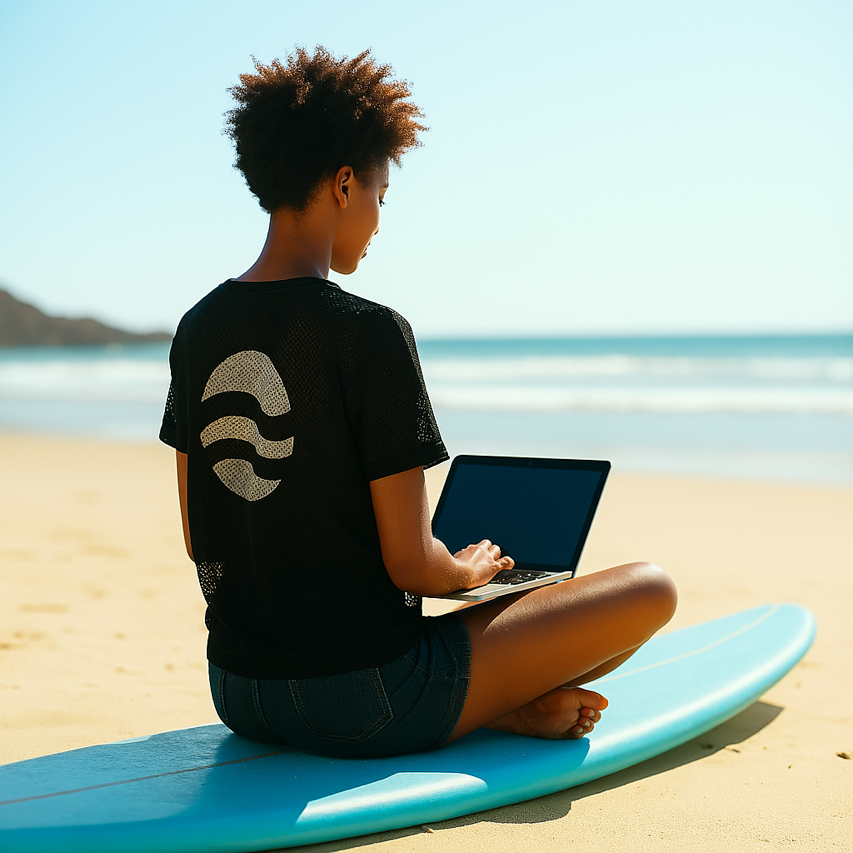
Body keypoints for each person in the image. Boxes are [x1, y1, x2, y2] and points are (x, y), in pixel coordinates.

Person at [160, 46, 677, 759]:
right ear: (344, 184)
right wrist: (466, 569)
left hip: (240, 692)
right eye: (379, 194)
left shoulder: (198, 326)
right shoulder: (368, 331)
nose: (377, 218)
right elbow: (412, 567)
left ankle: (498, 708)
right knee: (651, 588)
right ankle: (482, 706)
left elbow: (201, 538)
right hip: (366, 698)